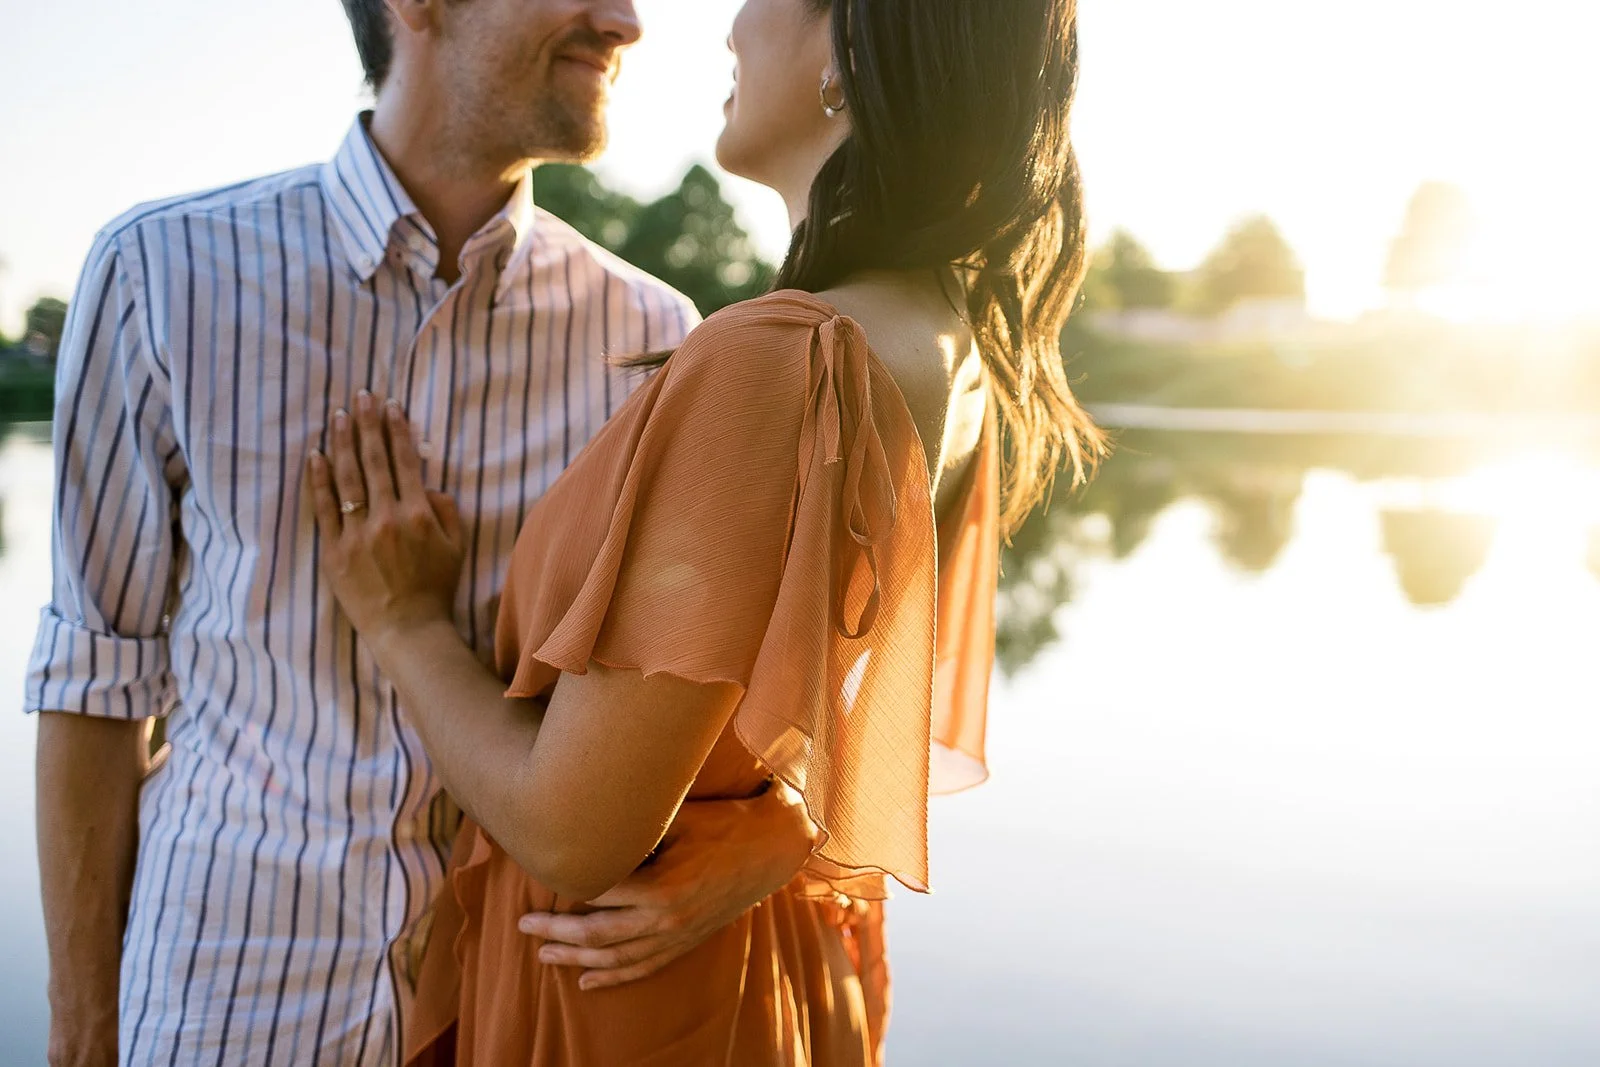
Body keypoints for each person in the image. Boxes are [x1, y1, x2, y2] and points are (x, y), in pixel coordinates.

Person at [309, 0, 1106, 1063]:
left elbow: (567, 833)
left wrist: (402, 619)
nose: (727, 25)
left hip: (625, 992)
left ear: (848, 42)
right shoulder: (955, 350)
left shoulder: (781, 360)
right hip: (760, 959)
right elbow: (818, 714)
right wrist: (779, 822)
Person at [27, 2, 820, 1064]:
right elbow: (94, 686)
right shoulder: (160, 275)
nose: (626, 19)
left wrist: (785, 823)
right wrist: (85, 1036)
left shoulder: (654, 337)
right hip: (227, 999)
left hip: (519, 1010)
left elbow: (741, 692)